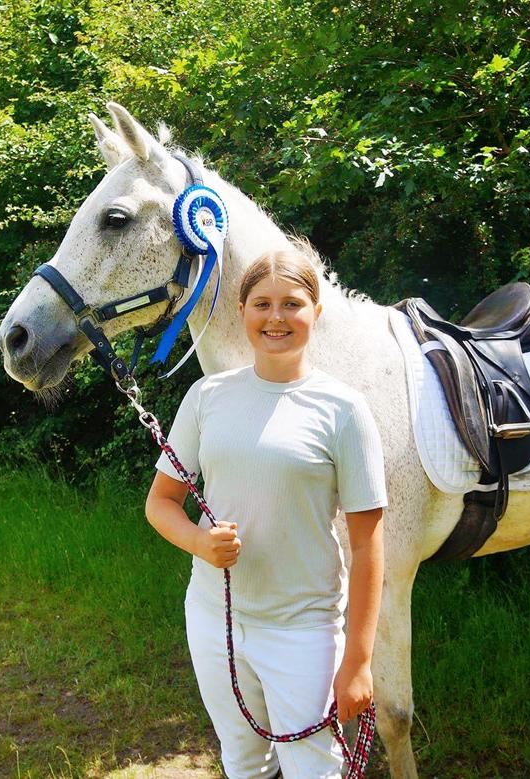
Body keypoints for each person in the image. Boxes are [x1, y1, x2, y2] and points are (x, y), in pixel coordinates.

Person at [144, 244, 388, 778]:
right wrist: (199, 544)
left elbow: (369, 543)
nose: (276, 317)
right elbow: (161, 503)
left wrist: (359, 663)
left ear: (315, 313)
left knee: (313, 769)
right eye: (262, 304)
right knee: (244, 762)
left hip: (303, 628)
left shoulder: (344, 410)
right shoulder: (206, 397)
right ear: (242, 312)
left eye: (292, 304)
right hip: (214, 621)